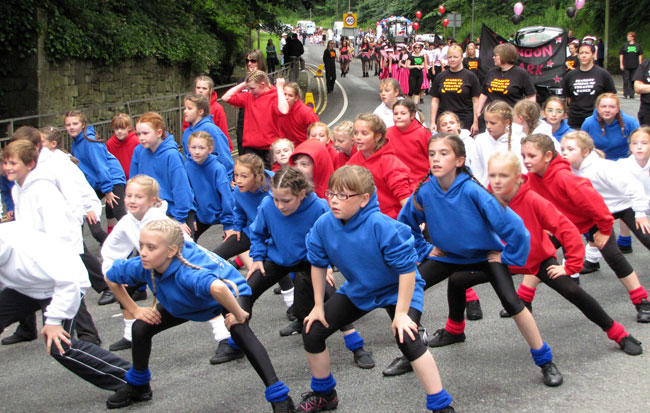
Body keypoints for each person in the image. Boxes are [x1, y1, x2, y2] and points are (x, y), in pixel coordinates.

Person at [395, 133, 563, 388]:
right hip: (448, 256)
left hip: (485, 256)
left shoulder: (473, 191)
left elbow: (516, 228)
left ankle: (545, 360)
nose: (436, 159)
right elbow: (405, 223)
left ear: (460, 160)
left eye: (444, 153)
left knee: (512, 301)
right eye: (432, 154)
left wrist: (507, 257)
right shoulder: (425, 191)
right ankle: (412, 352)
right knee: (410, 289)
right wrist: (424, 248)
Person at [297, 165, 455, 413]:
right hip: (361, 289)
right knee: (313, 331)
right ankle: (325, 394)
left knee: (408, 338)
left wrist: (402, 314)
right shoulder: (323, 225)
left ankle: (441, 405)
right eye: (332, 194)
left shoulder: (382, 226)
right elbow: (317, 264)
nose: (334, 201)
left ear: (363, 200)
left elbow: (407, 272)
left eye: (343, 195)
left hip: (398, 288)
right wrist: (317, 306)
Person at [104, 219, 295, 411]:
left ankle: (279, 396)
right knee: (140, 327)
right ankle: (139, 386)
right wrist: (135, 309)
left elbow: (219, 288)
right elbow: (111, 277)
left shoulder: (188, 272)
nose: (143, 252)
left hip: (229, 292)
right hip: (184, 302)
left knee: (238, 329)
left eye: (151, 247)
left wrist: (238, 313)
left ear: (171, 251)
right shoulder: (141, 265)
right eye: (141, 245)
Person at [486, 151, 642, 356]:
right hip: (502, 259)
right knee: (458, 280)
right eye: (493, 175)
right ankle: (454, 329)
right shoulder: (485, 198)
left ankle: (619, 333)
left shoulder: (532, 198)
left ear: (516, 177)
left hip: (535, 258)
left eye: (503, 175)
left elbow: (566, 229)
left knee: (572, 291)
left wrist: (571, 265)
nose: (497, 181)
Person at [247, 167, 374, 366]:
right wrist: (256, 257)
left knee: (331, 295)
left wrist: (328, 265)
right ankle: (235, 343)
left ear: (301, 194)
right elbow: (257, 233)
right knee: (245, 293)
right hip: (279, 258)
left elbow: (332, 237)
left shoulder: (319, 207)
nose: (279, 206)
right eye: (276, 199)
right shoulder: (267, 205)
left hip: (310, 260)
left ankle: (357, 346)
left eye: (286, 200)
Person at [521, 133, 650, 322]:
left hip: (595, 219)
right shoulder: (534, 177)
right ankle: (523, 300)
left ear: (548, 156)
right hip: (566, 221)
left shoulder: (565, 177)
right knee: (539, 251)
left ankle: (642, 302)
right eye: (524, 156)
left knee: (613, 255)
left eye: (531, 156)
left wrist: (604, 230)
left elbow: (597, 206)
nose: (526, 161)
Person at [0, 221, 131, 392]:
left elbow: (69, 282)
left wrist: (54, 321)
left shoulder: (26, 251)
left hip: (65, 284)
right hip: (26, 287)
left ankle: (131, 379)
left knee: (60, 346)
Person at [211, 154, 294, 363]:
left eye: (243, 176)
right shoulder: (239, 189)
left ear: (258, 176)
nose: (237, 180)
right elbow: (238, 208)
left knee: (268, 273)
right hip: (251, 232)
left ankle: (296, 308)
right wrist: (236, 227)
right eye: (235, 174)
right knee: (214, 258)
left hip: (274, 236)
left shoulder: (275, 186)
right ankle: (229, 330)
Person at [562, 130, 650, 270]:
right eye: (563, 149)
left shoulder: (603, 168)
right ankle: (591, 262)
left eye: (570, 149)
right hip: (600, 211)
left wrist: (640, 213)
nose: (564, 152)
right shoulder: (567, 170)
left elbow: (633, 186)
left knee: (646, 237)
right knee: (608, 250)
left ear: (585, 152)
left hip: (625, 204)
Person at [101, 175, 168, 351]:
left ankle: (224, 335)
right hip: (148, 265)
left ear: (152, 200)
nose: (132, 200)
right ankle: (129, 334)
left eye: (138, 197)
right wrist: (113, 271)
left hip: (174, 267)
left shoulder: (159, 221)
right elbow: (110, 250)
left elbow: (184, 250)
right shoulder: (127, 221)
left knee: (200, 296)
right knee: (124, 283)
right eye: (129, 196)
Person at [130, 112, 195, 236]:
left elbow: (181, 188)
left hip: (175, 212)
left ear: (159, 133)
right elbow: (136, 182)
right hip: (152, 213)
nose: (141, 138)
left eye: (145, 133)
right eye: (138, 134)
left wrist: (180, 219)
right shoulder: (140, 152)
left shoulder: (171, 155)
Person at [65, 110, 127, 235]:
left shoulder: (90, 142)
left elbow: (101, 167)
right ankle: (93, 239)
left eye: (75, 124)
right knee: (83, 208)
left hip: (111, 178)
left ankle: (140, 237)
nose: (71, 127)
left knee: (118, 211)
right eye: (68, 125)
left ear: (83, 125)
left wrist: (108, 190)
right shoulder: (75, 145)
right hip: (97, 183)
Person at [347, 114, 413, 219]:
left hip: (391, 221)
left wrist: (415, 220)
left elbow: (404, 197)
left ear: (378, 136)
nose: (358, 137)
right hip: (364, 218)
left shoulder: (390, 162)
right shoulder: (354, 160)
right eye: (355, 133)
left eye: (364, 133)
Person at [222, 71, 285, 164]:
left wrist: (280, 88)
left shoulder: (275, 96)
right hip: (251, 147)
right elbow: (226, 97)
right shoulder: (248, 96)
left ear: (262, 85)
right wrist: (244, 83)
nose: (250, 91)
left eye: (252, 88)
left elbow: (283, 110)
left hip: (269, 148)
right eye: (248, 89)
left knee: (270, 176)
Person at [184, 131, 234, 242]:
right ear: (188, 148)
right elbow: (188, 193)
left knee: (231, 243)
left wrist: (228, 223)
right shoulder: (187, 166)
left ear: (210, 149)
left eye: (202, 148)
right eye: (193, 147)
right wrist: (192, 217)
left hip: (221, 213)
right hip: (200, 214)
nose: (197, 152)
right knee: (186, 241)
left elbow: (226, 197)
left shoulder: (217, 168)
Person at [563, 43, 616, 129]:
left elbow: (612, 97)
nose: (584, 55)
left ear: (593, 55)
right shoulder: (570, 75)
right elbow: (568, 99)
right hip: (575, 120)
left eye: (587, 53)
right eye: (581, 53)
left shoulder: (603, 74)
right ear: (578, 55)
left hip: (597, 119)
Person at [430, 44, 481, 134]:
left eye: (455, 57)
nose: (452, 60)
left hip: (464, 119)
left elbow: (476, 101)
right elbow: (435, 100)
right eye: (450, 57)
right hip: (444, 120)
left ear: (462, 58)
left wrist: (475, 122)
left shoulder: (471, 76)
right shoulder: (440, 76)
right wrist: (432, 122)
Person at [472, 101, 526, 186]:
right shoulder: (480, 140)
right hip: (485, 190)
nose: (488, 126)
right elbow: (476, 170)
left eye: (493, 123)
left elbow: (522, 170)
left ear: (507, 122)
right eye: (486, 122)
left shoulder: (517, 141)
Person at [477, 43, 536, 116]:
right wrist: (478, 112)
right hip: (489, 115)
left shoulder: (521, 73)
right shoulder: (491, 72)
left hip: (510, 117)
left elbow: (531, 96)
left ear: (504, 56)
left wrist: (528, 114)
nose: (493, 57)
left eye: (495, 55)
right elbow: (484, 93)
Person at [181, 93, 233, 176]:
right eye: (185, 108)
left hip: (212, 177)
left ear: (200, 111)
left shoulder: (212, 129)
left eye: (190, 108)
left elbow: (224, 156)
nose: (185, 111)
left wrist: (229, 176)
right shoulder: (186, 133)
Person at [581, 93, 640, 160]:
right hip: (598, 162)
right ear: (597, 108)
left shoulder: (630, 122)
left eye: (612, 107)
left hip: (624, 162)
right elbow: (582, 147)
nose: (607, 110)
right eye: (603, 106)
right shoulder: (588, 123)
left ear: (618, 109)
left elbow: (641, 144)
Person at [182, 75, 232, 151]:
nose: (200, 91)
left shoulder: (217, 108)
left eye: (204, 88)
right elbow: (186, 128)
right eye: (198, 87)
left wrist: (227, 148)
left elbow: (223, 130)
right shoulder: (190, 107)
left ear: (210, 90)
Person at [387, 98, 431, 182]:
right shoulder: (387, 133)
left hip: (421, 181)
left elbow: (432, 158)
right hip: (396, 180)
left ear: (412, 115)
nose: (398, 117)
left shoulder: (424, 133)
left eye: (403, 113)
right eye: (395, 114)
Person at [277, 80, 319, 146]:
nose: (286, 98)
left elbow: (318, 131)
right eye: (284, 94)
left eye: (290, 95)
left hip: (303, 148)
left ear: (296, 98)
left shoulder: (306, 112)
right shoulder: (277, 109)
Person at [106, 113, 139, 180]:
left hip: (135, 178)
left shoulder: (136, 141)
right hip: (118, 179)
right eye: (116, 128)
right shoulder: (110, 144)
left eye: (123, 128)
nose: (119, 131)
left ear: (129, 128)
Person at [620, 32, 643, 99]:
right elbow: (621, 54)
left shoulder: (637, 46)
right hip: (626, 65)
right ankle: (625, 93)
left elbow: (640, 55)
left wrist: (640, 65)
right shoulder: (624, 45)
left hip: (635, 66)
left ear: (633, 37)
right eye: (627, 36)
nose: (628, 37)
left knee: (633, 80)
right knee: (626, 80)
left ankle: (631, 94)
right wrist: (621, 64)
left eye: (629, 36)